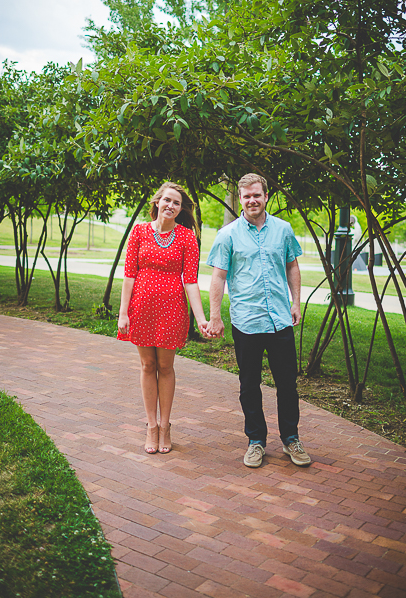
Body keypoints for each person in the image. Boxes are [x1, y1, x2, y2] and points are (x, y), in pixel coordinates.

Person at [205, 173, 311, 469]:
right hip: (246, 322)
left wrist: (296, 302)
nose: (252, 200)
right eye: (246, 196)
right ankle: (256, 441)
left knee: (287, 384)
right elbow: (218, 277)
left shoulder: (284, 230)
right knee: (249, 384)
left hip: (279, 320)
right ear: (240, 199)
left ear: (266, 196)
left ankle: (291, 439)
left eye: (257, 195)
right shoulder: (228, 235)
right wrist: (216, 317)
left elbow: (292, 266)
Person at [118, 182, 208, 455]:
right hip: (141, 308)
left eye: (176, 203)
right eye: (167, 200)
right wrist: (123, 313)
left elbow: (191, 282)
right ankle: (151, 426)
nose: (171, 206)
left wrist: (201, 319)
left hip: (172, 310)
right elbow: (129, 274)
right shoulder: (139, 232)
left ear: (181, 210)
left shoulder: (186, 237)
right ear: (157, 202)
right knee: (147, 366)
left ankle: (166, 425)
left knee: (165, 367)